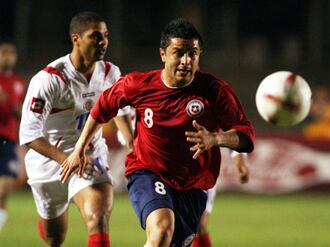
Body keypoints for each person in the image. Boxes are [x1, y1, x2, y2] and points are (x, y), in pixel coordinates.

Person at [61, 18, 255, 247]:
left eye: (192, 53)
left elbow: (246, 137)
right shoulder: (138, 85)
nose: (186, 61)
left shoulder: (214, 91)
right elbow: (101, 109)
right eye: (178, 53)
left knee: (168, 241)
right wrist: (78, 150)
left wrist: (215, 139)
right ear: (163, 54)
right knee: (162, 228)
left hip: (193, 185)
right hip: (148, 172)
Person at [19, 12, 123, 247]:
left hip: (89, 155)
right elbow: (28, 134)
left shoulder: (109, 73)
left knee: (98, 219)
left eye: (105, 36)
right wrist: (65, 159)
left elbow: (125, 110)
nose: (103, 42)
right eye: (95, 36)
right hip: (48, 163)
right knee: (54, 238)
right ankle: (50, 215)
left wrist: (131, 140)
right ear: (76, 39)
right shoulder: (49, 79)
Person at [192, 151, 249, 247]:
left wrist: (240, 161)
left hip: (202, 174)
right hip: (167, 171)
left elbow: (233, 136)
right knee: (166, 225)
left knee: (199, 224)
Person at [0, 39, 26, 233]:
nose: (8, 56)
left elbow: (22, 112)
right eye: (4, 52)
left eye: (11, 53)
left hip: (8, 139)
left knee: (5, 188)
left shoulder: (19, 83)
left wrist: (16, 109)